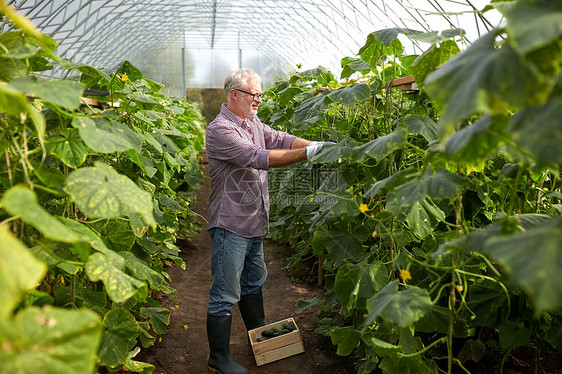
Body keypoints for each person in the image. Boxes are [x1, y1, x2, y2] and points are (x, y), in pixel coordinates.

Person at [204, 68, 331, 374]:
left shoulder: (253, 122)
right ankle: (218, 358)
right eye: (254, 94)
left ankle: (258, 333)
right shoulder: (221, 129)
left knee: (252, 283)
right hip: (230, 223)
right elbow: (261, 157)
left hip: (254, 220)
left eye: (261, 94)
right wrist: (309, 155)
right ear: (235, 94)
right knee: (224, 294)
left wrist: (312, 143)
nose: (259, 100)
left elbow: (281, 139)